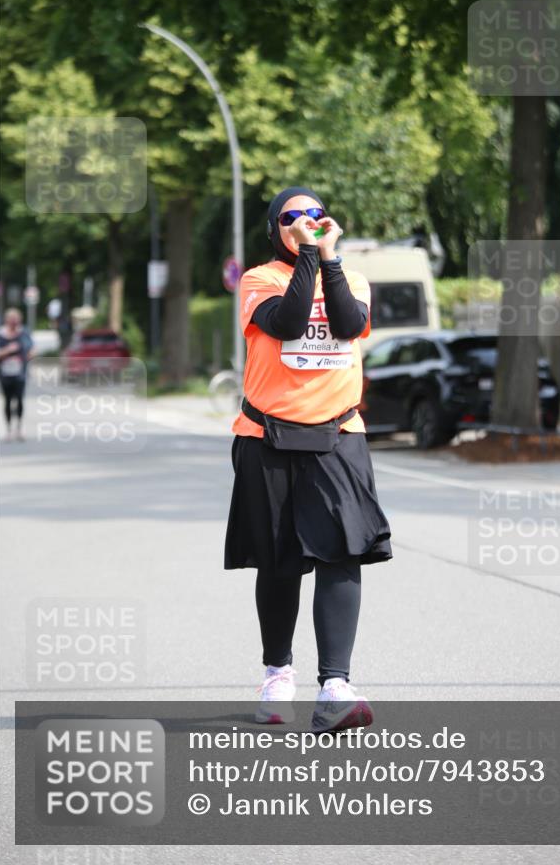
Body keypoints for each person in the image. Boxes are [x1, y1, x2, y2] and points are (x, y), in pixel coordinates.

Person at [225, 186, 392, 733]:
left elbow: (346, 324)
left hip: (339, 434)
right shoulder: (259, 280)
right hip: (266, 436)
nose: (306, 222)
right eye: (292, 217)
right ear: (275, 228)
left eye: (316, 214)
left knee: (343, 554)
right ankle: (277, 676)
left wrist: (329, 259)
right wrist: (307, 259)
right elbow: (289, 323)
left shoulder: (352, 277)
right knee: (278, 560)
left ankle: (335, 688)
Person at [0, 307, 34, 441]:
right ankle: (8, 429)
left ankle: (19, 428)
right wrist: (8, 350)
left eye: (16, 319)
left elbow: (32, 349)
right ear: (6, 320)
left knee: (19, 400)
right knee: (7, 401)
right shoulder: (0, 335)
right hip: (5, 374)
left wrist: (29, 356)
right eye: (11, 319)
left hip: (20, 373)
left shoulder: (24, 334)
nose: (14, 322)